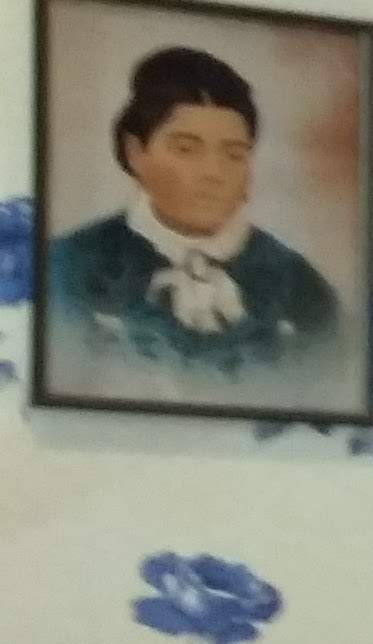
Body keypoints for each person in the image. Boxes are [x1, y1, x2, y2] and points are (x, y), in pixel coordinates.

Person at [45, 44, 347, 393]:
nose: (213, 173)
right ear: (135, 152)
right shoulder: (68, 269)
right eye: (186, 149)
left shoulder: (301, 288)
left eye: (234, 154)